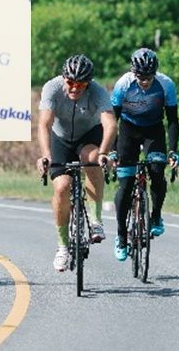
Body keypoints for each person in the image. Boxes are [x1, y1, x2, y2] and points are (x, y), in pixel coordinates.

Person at [37, 54, 118, 272]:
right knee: (62, 187)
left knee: (92, 160)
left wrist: (104, 153)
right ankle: (62, 246)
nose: (74, 88)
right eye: (70, 82)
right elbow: (44, 124)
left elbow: (111, 125)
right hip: (61, 139)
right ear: (64, 78)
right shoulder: (52, 88)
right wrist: (46, 155)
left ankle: (95, 219)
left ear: (88, 83)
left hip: (88, 136)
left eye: (81, 84)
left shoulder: (98, 92)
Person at [111, 48, 179, 261]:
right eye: (141, 77)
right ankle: (121, 235)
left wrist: (173, 150)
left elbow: (173, 120)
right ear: (134, 73)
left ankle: (156, 216)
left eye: (149, 77)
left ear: (155, 73)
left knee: (157, 170)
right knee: (125, 184)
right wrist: (112, 150)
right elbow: (112, 121)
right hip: (128, 130)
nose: (145, 82)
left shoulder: (166, 84)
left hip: (153, 130)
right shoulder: (123, 84)